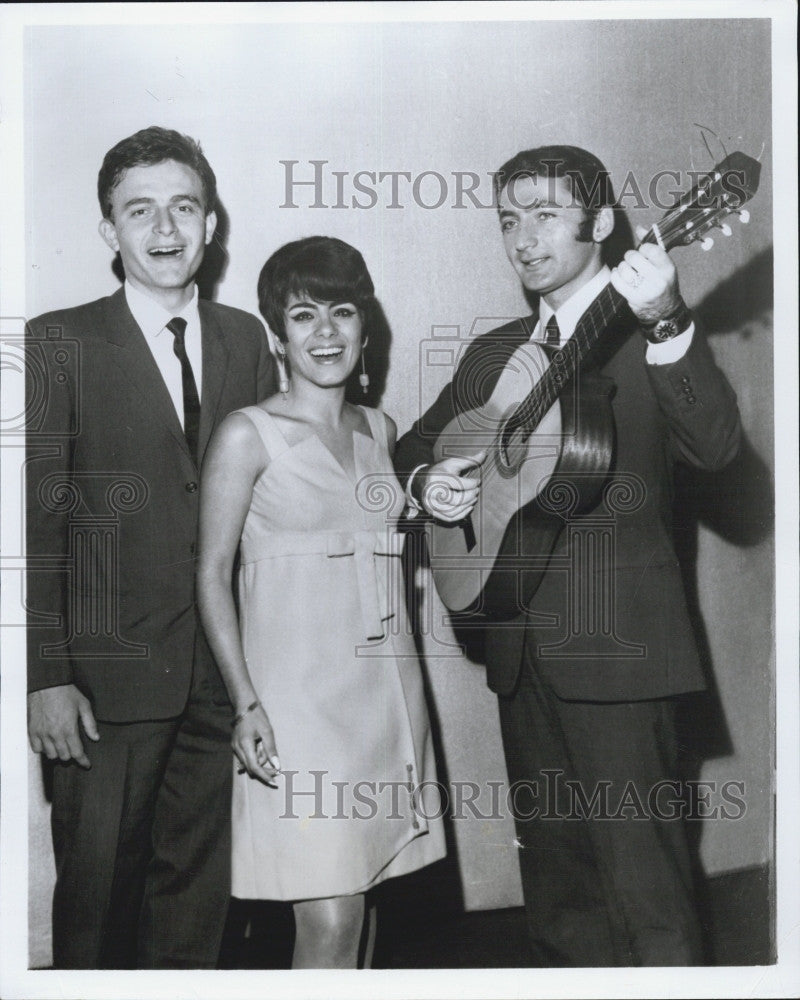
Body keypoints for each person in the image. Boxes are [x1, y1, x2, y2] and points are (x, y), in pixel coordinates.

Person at [394, 145, 741, 966]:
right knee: (560, 905)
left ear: (604, 223)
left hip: (622, 656)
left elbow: (718, 447)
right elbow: (411, 444)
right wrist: (428, 482)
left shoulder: (645, 328)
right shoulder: (497, 353)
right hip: (519, 652)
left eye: (545, 213)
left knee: (649, 902)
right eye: (509, 220)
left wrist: (666, 321)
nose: (522, 237)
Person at [25, 126, 276, 968]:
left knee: (196, 909)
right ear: (110, 231)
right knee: (96, 909)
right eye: (141, 211)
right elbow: (43, 519)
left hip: (219, 678)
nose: (166, 229)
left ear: (211, 222)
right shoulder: (62, 341)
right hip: (104, 684)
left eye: (184, 207)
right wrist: (48, 675)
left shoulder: (247, 338)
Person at [197, 236, 446, 969]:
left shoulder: (382, 432)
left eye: (342, 312)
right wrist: (246, 703)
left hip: (385, 700)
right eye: (304, 316)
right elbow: (210, 573)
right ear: (278, 334)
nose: (326, 333)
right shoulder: (248, 436)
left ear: (365, 326)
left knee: (365, 907)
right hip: (297, 709)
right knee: (330, 920)